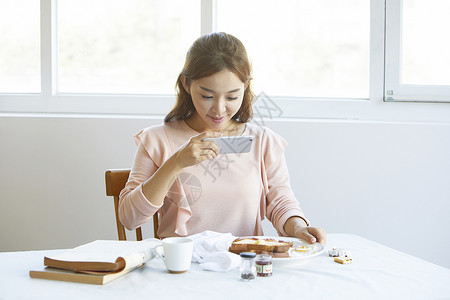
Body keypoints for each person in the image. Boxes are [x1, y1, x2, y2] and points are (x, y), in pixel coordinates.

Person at [119, 32, 326, 245]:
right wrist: (176, 162)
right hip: (181, 270)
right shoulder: (157, 139)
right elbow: (129, 218)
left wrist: (300, 227)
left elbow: (281, 202)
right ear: (186, 84)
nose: (218, 109)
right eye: (207, 96)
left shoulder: (263, 141)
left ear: (245, 88)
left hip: (245, 264)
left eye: (231, 97)